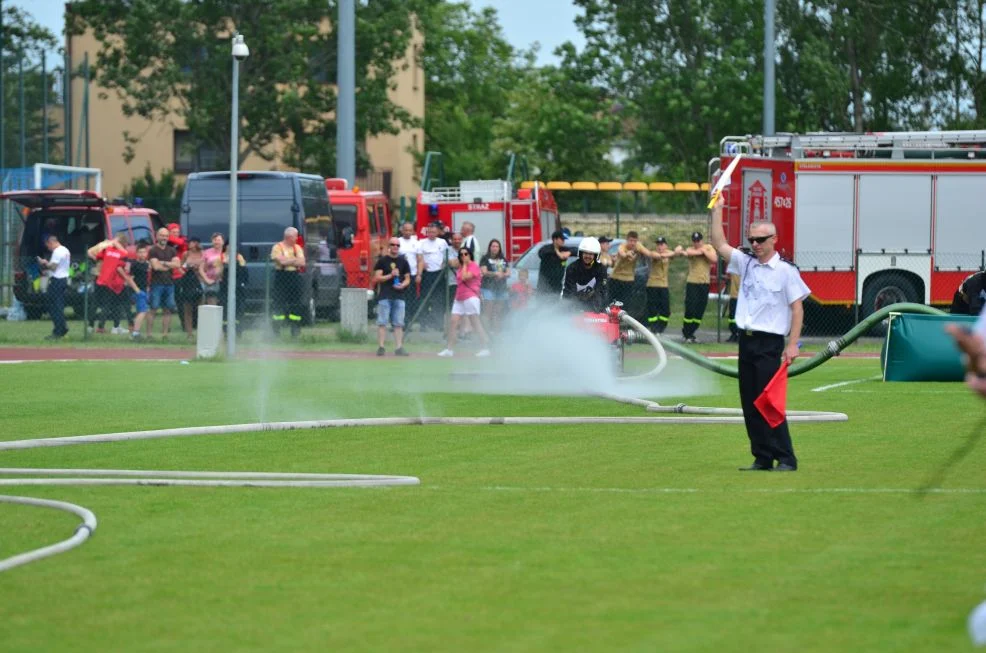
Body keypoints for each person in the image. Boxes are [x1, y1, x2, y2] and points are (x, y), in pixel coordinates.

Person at [710, 197, 810, 472]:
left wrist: (793, 344)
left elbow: (797, 308)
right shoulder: (746, 263)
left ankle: (787, 457)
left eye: (761, 239)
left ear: (774, 239)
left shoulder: (786, 271)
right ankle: (763, 456)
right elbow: (719, 244)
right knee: (750, 403)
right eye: (752, 239)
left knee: (769, 402)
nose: (755, 244)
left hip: (769, 342)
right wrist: (717, 210)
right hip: (747, 340)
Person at [438, 247, 491, 358]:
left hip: (471, 297)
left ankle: (486, 347)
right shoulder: (461, 266)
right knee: (453, 322)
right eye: (461, 254)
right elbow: (450, 262)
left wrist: (466, 264)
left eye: (466, 254)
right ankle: (449, 349)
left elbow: (465, 277)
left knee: (475, 322)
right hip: (459, 297)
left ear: (470, 255)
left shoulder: (474, 266)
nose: (463, 256)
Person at [372, 237, 411, 356]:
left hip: (399, 296)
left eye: (398, 245)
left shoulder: (403, 261)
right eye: (393, 244)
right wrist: (390, 275)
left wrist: (402, 285)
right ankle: (381, 347)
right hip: (385, 295)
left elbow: (408, 279)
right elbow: (377, 278)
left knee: (398, 323)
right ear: (389, 246)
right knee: (382, 322)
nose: (395, 247)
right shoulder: (382, 261)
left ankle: (399, 347)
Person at [87, 232, 131, 334]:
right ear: (122, 242)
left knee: (96, 302)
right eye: (125, 244)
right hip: (110, 279)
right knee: (111, 303)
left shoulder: (103, 245)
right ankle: (106, 327)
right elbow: (125, 254)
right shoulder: (116, 249)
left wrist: (98, 262)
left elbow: (89, 252)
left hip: (98, 276)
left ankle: (90, 326)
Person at [681, 230, 718, 343]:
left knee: (700, 309)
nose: (696, 243)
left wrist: (703, 251)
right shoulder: (691, 249)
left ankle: (692, 332)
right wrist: (701, 251)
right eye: (694, 241)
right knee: (690, 308)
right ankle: (686, 333)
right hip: (692, 283)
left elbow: (714, 259)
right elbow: (688, 253)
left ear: (702, 240)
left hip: (704, 283)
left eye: (698, 241)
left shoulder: (708, 247)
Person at [270, 227, 306, 337]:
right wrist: (294, 260)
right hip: (281, 277)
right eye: (295, 236)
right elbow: (280, 261)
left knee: (296, 303)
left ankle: (295, 329)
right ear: (289, 237)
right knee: (278, 303)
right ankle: (276, 330)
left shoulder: (297, 248)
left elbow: (302, 262)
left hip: (294, 277)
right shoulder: (277, 247)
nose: (297, 238)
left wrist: (288, 261)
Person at [147, 227, 181, 339]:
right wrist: (169, 264)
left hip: (169, 284)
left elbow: (177, 265)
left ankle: (165, 334)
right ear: (157, 236)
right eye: (162, 235)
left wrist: (163, 263)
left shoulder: (172, 250)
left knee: (168, 309)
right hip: (156, 284)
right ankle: (149, 334)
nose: (164, 238)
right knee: (154, 308)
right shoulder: (153, 250)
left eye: (166, 236)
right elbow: (155, 267)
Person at [643, 236, 682, 334]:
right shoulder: (654, 254)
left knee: (665, 310)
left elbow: (679, 251)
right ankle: (653, 329)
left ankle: (660, 328)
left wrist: (678, 249)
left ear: (666, 246)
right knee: (653, 309)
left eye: (662, 245)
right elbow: (658, 256)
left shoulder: (668, 253)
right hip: (652, 285)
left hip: (663, 285)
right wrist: (675, 252)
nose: (659, 247)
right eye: (658, 245)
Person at [561, 236, 609, 312]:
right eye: (585, 253)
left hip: (593, 304)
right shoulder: (572, 268)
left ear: (596, 256)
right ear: (581, 253)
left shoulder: (601, 269)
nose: (588, 256)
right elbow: (569, 292)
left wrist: (597, 308)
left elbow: (601, 291)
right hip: (572, 304)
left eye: (591, 254)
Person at [36, 234, 70, 340]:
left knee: (54, 307)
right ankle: (62, 327)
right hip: (64, 279)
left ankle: (58, 330)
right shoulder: (65, 250)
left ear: (51, 242)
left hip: (56, 280)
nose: (48, 248)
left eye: (48, 246)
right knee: (58, 305)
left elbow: (54, 267)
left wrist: (45, 263)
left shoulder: (57, 252)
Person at [416, 223, 449, 331]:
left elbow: (446, 256)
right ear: (427, 232)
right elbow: (418, 257)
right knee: (425, 299)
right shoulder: (421, 243)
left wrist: (444, 264)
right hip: (427, 274)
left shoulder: (442, 242)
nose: (431, 234)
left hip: (439, 274)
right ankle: (423, 324)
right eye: (429, 232)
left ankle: (438, 323)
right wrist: (422, 264)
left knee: (439, 300)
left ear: (438, 232)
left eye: (434, 232)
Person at [611, 231, 648, 307]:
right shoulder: (622, 246)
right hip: (616, 278)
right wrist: (626, 254)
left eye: (635, 241)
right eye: (631, 241)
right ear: (627, 240)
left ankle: (623, 317)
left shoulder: (638, 246)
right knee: (612, 302)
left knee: (626, 304)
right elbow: (622, 253)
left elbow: (648, 253)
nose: (633, 243)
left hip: (628, 280)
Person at [479, 239, 509, 333]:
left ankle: (496, 333)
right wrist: (495, 274)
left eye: (497, 246)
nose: (495, 248)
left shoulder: (503, 259)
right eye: (493, 246)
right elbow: (484, 272)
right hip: (488, 288)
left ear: (499, 248)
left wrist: (502, 275)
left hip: (501, 288)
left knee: (498, 312)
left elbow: (508, 272)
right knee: (488, 312)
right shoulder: (485, 258)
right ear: (490, 248)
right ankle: (486, 332)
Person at [178, 237, 205, 338]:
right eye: (189, 242)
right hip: (188, 282)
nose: (190, 244)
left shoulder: (203, 253)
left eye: (192, 242)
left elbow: (206, 266)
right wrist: (186, 271)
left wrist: (198, 268)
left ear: (197, 243)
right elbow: (180, 267)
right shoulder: (186, 254)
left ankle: (202, 331)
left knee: (201, 308)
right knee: (187, 307)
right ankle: (189, 333)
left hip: (200, 281)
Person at [128, 240, 152, 340]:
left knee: (140, 311)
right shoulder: (134, 264)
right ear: (137, 253)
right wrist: (137, 290)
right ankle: (135, 333)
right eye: (140, 252)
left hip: (145, 290)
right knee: (143, 310)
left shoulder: (147, 264)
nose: (142, 254)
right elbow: (129, 279)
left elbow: (148, 277)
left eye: (144, 252)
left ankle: (134, 330)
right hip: (137, 291)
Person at [397, 222, 420, 322]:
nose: (407, 232)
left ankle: (408, 321)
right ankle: (397, 321)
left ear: (413, 231)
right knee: (398, 298)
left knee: (410, 299)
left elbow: (420, 260)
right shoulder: (397, 241)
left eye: (410, 230)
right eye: (405, 230)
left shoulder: (417, 243)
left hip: (412, 274)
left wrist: (419, 274)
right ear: (402, 230)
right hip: (399, 275)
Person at [537, 230, 570, 297]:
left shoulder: (564, 249)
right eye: (562, 239)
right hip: (544, 286)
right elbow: (541, 253)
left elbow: (576, 250)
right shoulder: (546, 249)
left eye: (564, 239)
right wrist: (557, 252)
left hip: (557, 286)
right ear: (555, 239)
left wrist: (569, 253)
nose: (563, 241)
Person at [201, 233, 225, 306]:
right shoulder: (207, 252)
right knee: (211, 303)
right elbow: (201, 268)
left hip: (223, 281)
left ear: (223, 242)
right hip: (210, 282)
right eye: (215, 240)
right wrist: (206, 279)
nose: (216, 242)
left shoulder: (227, 252)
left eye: (219, 240)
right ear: (212, 241)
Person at [726, 273, 741, 342]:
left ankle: (739, 334)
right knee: (732, 316)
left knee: (740, 316)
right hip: (733, 295)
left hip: (741, 297)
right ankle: (734, 333)